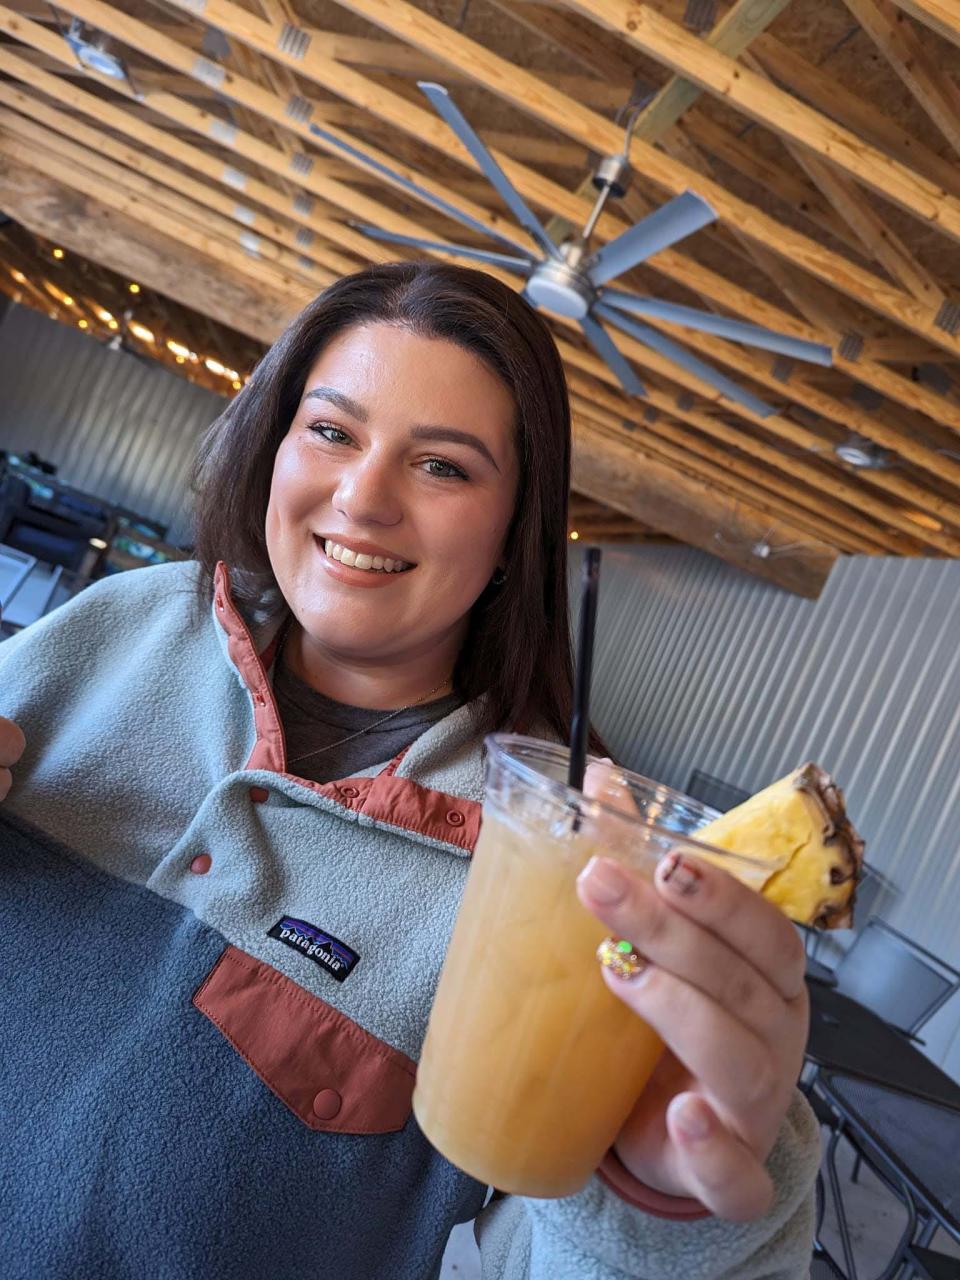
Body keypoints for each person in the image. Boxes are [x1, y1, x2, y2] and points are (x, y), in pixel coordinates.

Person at [0, 263, 818, 1279]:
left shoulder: (556, 867)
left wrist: (661, 1209)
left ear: (517, 533)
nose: (363, 497)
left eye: (443, 466)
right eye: (333, 431)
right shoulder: (130, 621)